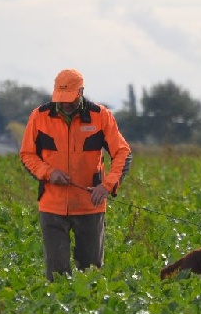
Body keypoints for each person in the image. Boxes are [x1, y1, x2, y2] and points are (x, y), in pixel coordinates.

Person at [20, 68, 132, 281]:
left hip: (90, 206)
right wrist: (48, 172)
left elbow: (122, 153)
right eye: (60, 97)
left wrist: (106, 186)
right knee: (57, 274)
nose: (65, 103)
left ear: (81, 92)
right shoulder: (39, 116)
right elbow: (27, 155)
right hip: (52, 206)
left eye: (70, 98)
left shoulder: (101, 116)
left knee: (90, 273)